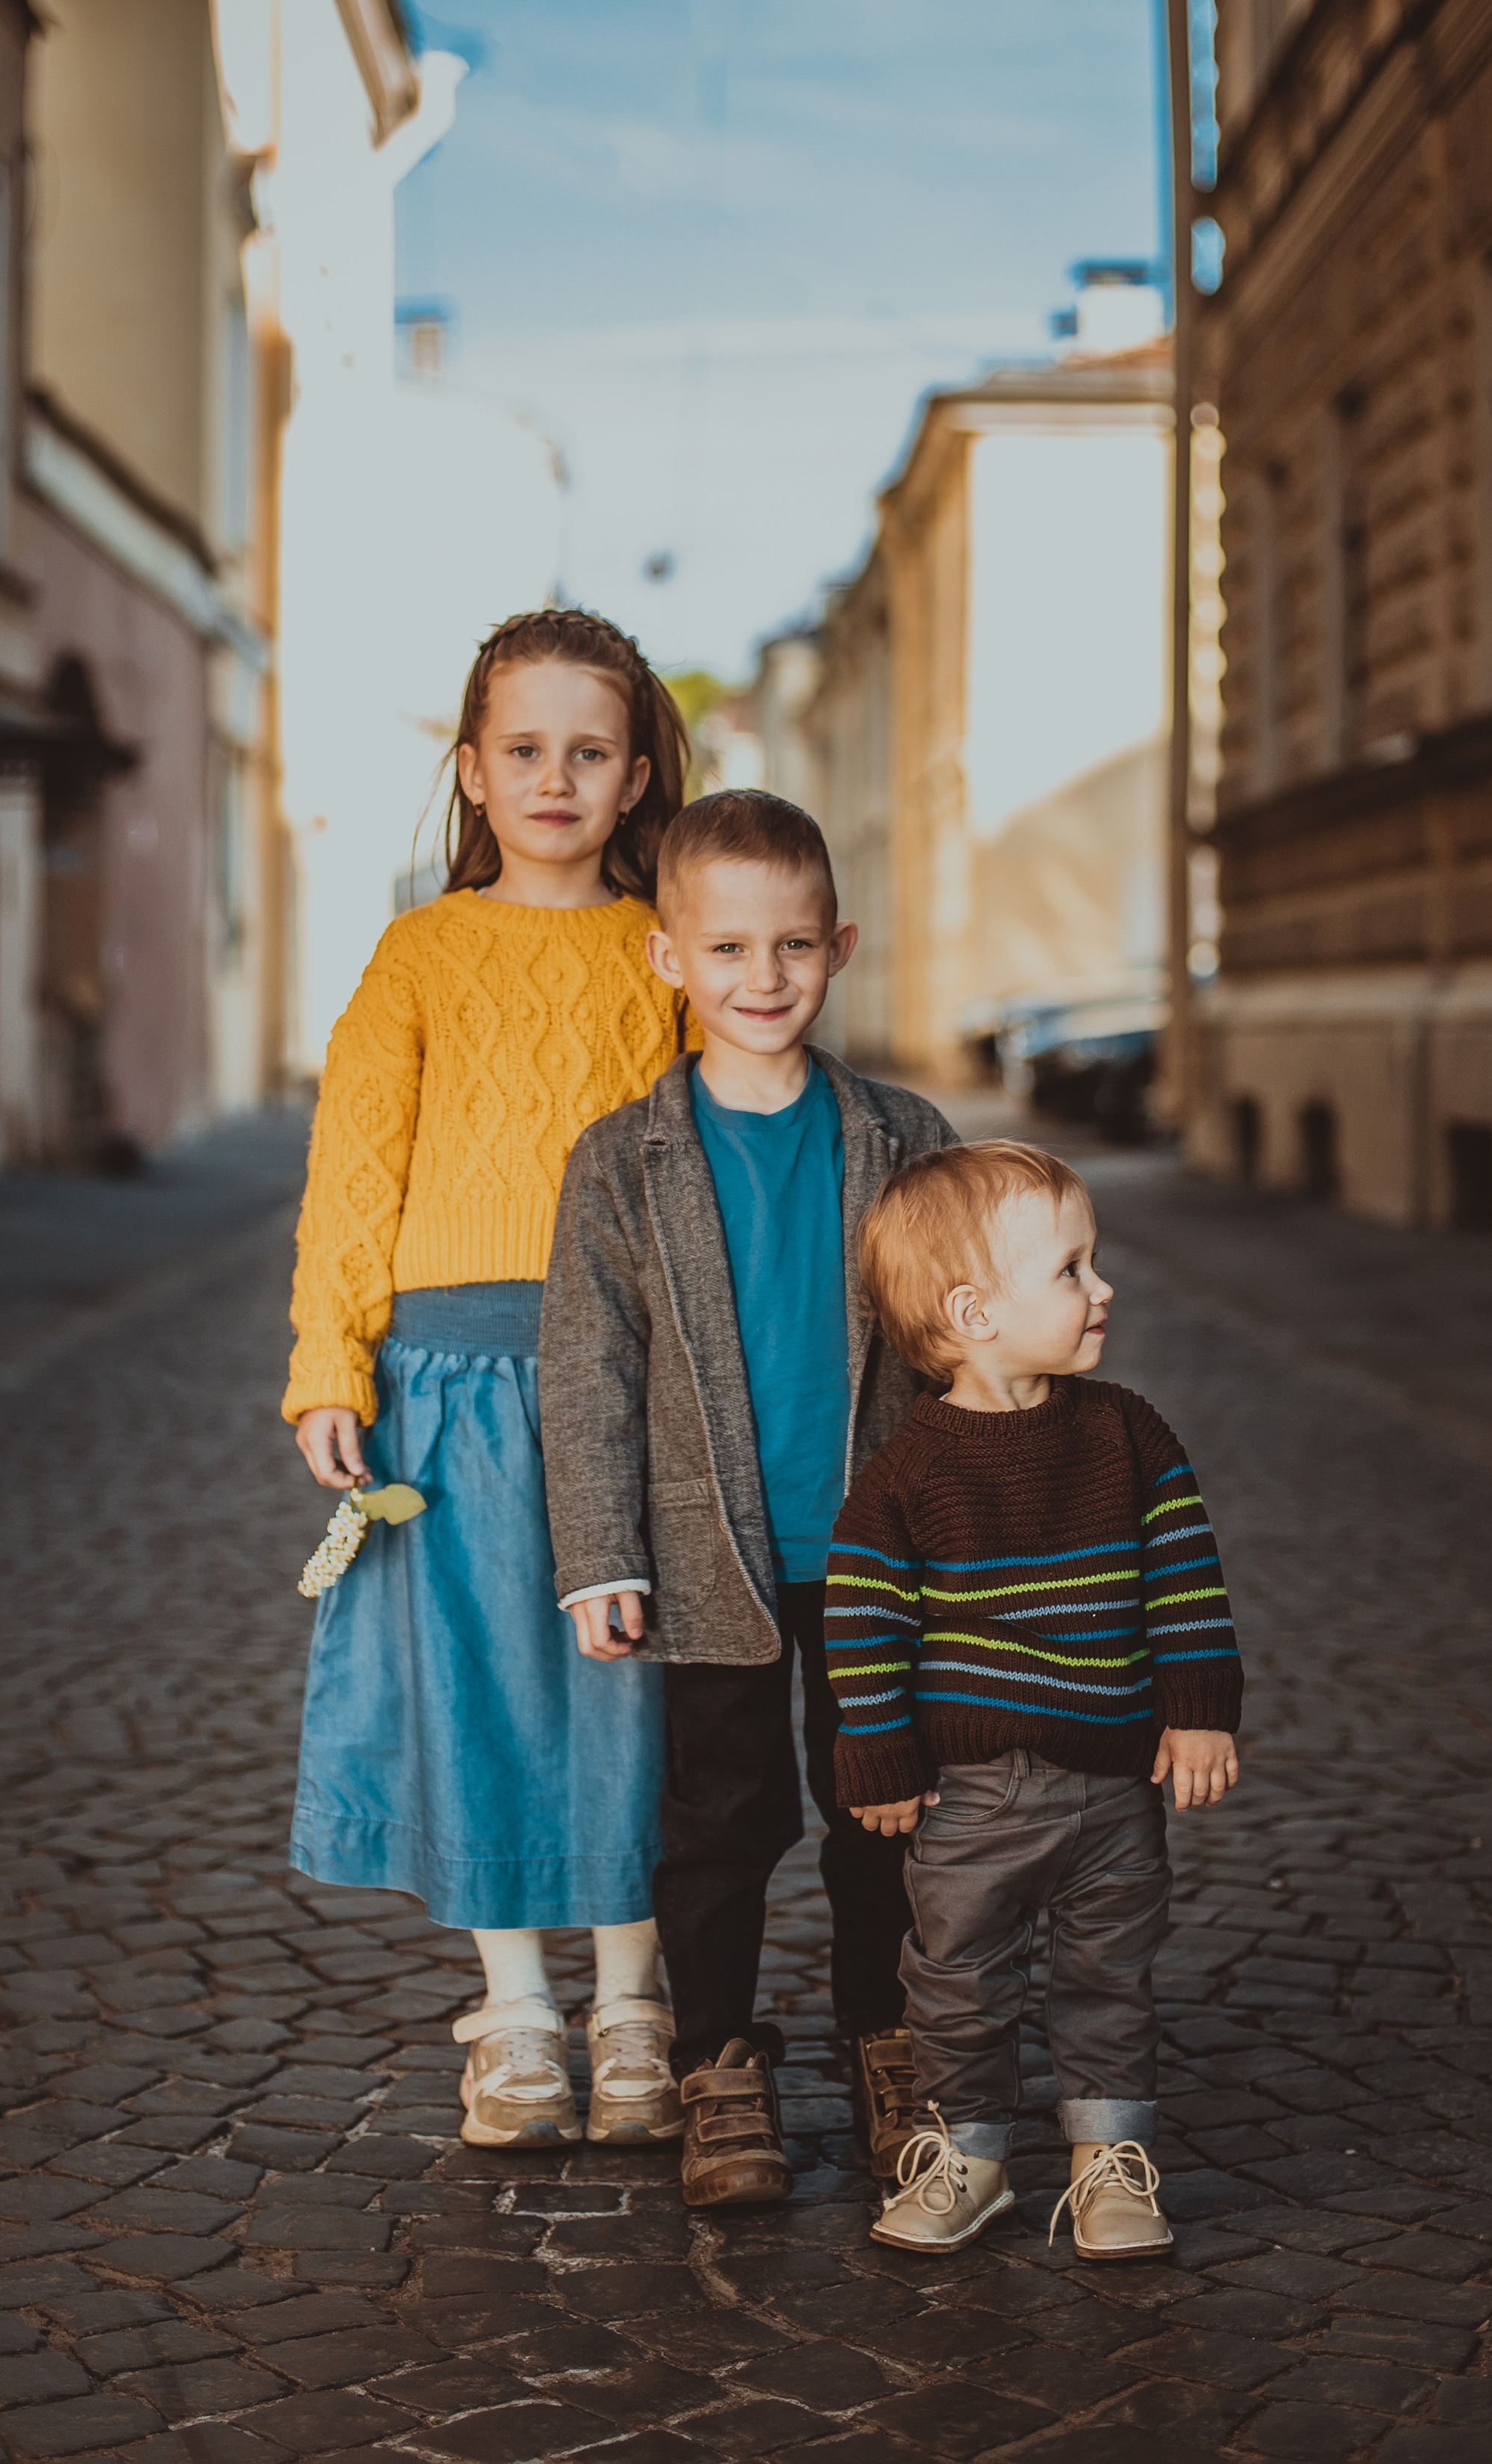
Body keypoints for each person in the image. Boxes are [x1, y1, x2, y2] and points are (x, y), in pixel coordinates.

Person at [284, 607, 695, 2156]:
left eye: (587, 751)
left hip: (633, 1372)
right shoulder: (419, 952)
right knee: (476, 1688)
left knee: (632, 1683)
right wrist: (332, 1360)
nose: (553, 776)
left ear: (635, 770)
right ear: (470, 769)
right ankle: (517, 2011)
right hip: (444, 1379)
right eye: (522, 750)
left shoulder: (665, 942)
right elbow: (352, 1171)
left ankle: (640, 2005)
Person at [540, 788, 956, 2208]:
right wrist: (598, 1554)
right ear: (671, 961)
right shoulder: (621, 1160)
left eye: (791, 946)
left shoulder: (901, 1137)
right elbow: (588, 1370)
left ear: (839, 946)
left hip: (878, 1555)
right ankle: (721, 2065)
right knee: (718, 1819)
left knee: (884, 1810)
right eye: (726, 950)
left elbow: (964, 1332)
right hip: (707, 1555)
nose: (761, 980)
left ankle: (887, 2041)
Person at [826, 1141, 1244, 2257]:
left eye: (1092, 1261)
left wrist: (1198, 1709)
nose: (1102, 1287)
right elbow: (865, 1625)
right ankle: (969, 2157)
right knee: (957, 1983)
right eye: (1070, 1269)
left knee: (1110, 1978)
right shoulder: (906, 1476)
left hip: (1116, 1786)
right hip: (971, 1799)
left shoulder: (1128, 1433)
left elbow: (1185, 1579)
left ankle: (1112, 2162)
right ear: (971, 1310)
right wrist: (879, 1757)